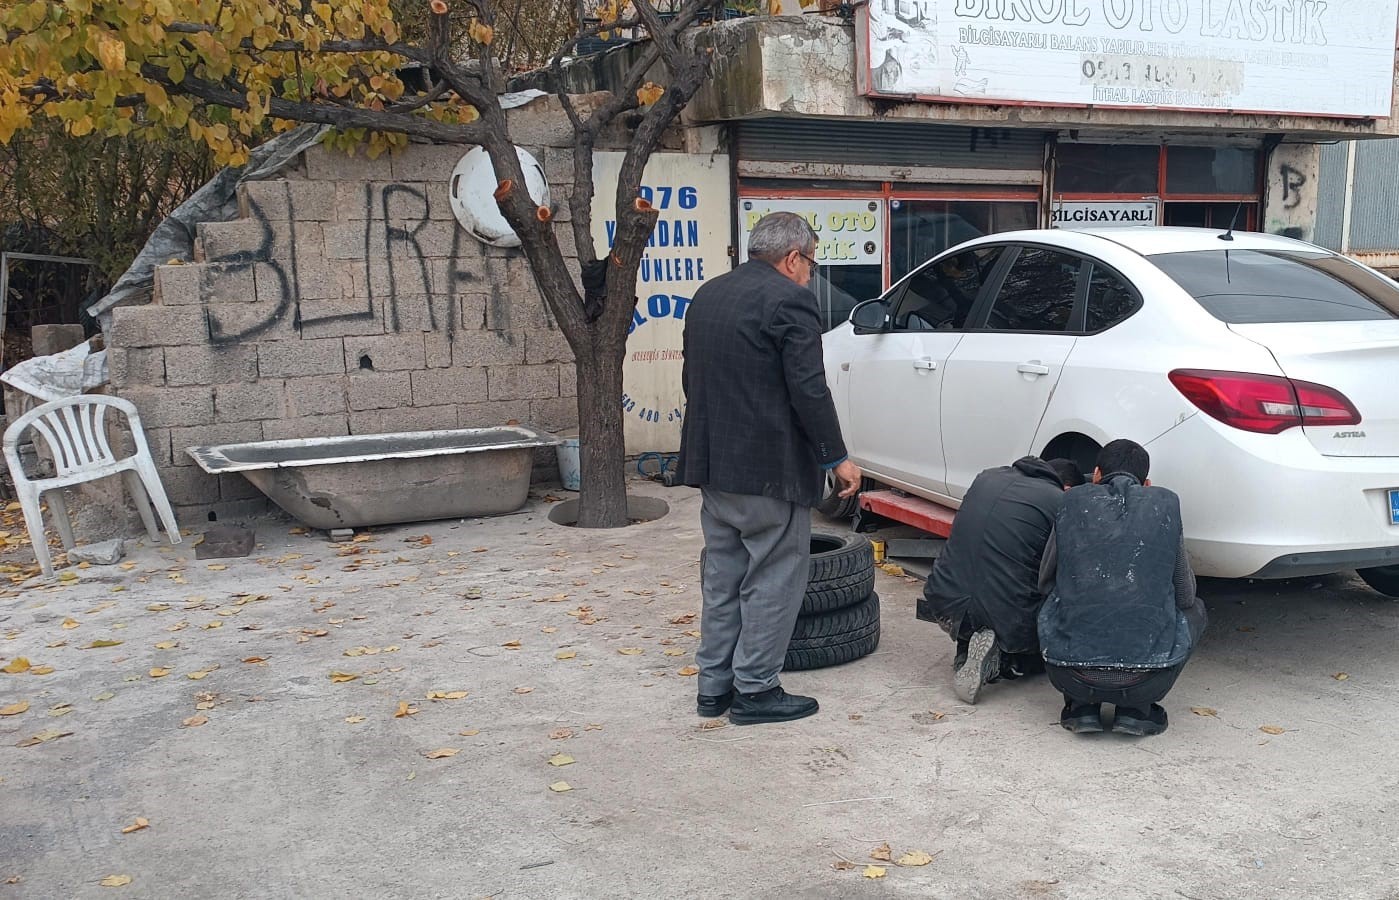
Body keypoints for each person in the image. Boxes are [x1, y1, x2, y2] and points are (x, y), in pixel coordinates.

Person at [677, 212, 862, 726]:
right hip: (768, 471)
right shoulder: (791, 300)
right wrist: (836, 457)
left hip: (715, 465)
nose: (810, 275)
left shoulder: (709, 295)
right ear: (792, 258)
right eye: (811, 263)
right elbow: (809, 389)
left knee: (723, 577)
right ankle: (756, 690)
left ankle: (713, 688)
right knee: (774, 577)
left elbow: (693, 378)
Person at [1037, 439, 1208, 737]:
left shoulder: (1071, 501)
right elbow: (1184, 594)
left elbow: (1045, 581)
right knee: (1197, 610)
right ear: (1146, 483)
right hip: (1147, 680)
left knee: (1050, 603)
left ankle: (1080, 707)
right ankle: (1137, 710)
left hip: (1068, 673)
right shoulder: (1165, 504)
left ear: (1098, 474)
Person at [917, 456, 1085, 705]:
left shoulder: (986, 477)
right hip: (1005, 613)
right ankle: (1007, 662)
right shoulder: (1059, 500)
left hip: (943, 599)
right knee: (1054, 602)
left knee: (985, 575)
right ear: (1068, 488)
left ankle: (966, 649)